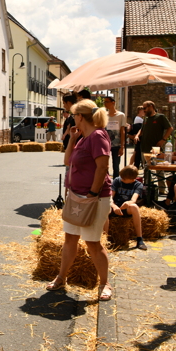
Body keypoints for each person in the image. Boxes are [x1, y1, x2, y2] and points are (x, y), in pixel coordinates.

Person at [47, 99, 113, 301]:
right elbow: (67, 161)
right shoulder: (84, 138)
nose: (71, 117)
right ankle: (61, 277)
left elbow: (102, 167)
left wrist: (93, 193)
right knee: (70, 239)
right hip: (77, 196)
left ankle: (104, 284)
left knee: (93, 242)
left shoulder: (98, 136)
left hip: (93, 198)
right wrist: (73, 139)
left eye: (73, 114)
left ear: (80, 116)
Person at [103, 165, 147, 251]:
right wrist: (114, 206)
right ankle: (105, 240)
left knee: (134, 207)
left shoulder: (138, 185)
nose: (121, 179)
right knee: (105, 207)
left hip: (125, 208)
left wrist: (128, 203)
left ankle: (139, 239)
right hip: (114, 206)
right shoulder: (117, 180)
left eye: (123, 178)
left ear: (132, 179)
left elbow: (133, 200)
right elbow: (110, 197)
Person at [135, 101, 173, 193]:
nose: (144, 110)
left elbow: (170, 128)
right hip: (144, 147)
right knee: (146, 169)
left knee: (159, 169)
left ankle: (162, 189)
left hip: (156, 148)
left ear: (151, 106)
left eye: (145, 108)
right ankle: (147, 189)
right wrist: (137, 135)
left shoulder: (160, 117)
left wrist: (163, 139)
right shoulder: (146, 118)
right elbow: (142, 129)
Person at [103, 95, 126, 178]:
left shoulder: (121, 115)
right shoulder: (104, 115)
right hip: (105, 143)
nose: (105, 104)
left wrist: (122, 146)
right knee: (105, 165)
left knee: (116, 165)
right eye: (104, 102)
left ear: (113, 102)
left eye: (107, 102)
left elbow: (122, 131)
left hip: (117, 144)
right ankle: (106, 181)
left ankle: (116, 183)